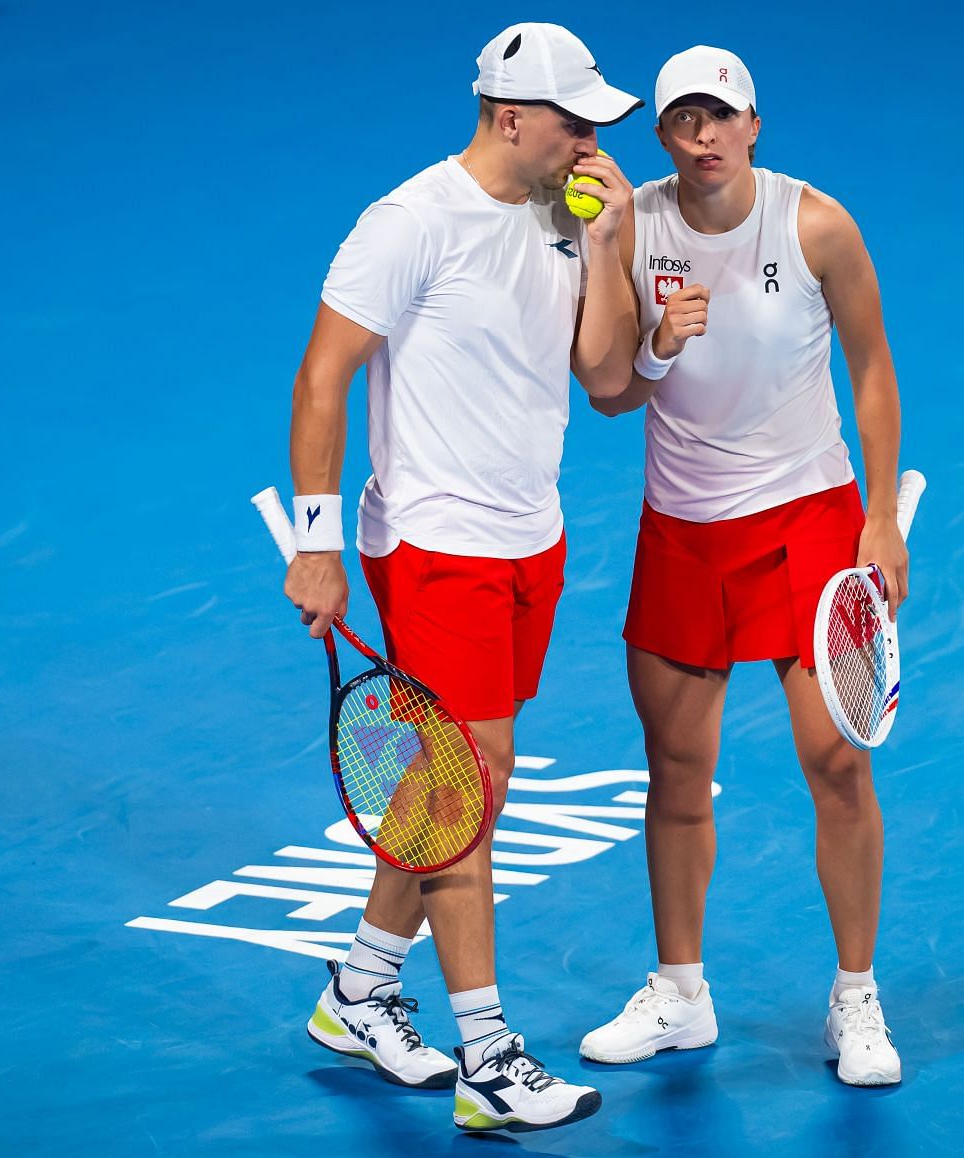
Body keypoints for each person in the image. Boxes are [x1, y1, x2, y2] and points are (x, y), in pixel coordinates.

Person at [281, 22, 642, 1131]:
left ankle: (359, 989)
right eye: (575, 122)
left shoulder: (565, 218)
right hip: (436, 543)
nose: (590, 142)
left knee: (457, 783)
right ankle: (489, 1056)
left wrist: (614, 242)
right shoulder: (408, 224)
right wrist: (317, 540)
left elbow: (608, 382)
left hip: (532, 535)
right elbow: (321, 379)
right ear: (511, 117)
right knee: (467, 786)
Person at [578, 45, 909, 1087]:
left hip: (808, 523)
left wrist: (881, 521)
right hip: (681, 530)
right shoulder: (634, 229)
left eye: (721, 118)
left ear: (755, 124)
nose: (703, 137)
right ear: (664, 134)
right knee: (675, 774)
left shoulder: (814, 224)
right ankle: (680, 992)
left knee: (839, 765)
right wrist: (658, 345)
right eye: (683, 121)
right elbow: (609, 394)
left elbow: (871, 367)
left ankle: (856, 998)